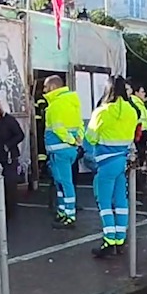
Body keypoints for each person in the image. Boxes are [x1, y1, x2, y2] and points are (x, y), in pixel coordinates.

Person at [87, 76, 139, 258]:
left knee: (104, 201)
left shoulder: (102, 112)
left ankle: (109, 240)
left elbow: (91, 137)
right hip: (122, 159)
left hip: (106, 161)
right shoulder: (132, 111)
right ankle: (120, 239)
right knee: (121, 201)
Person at [42, 75, 83, 228]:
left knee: (64, 182)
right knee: (61, 182)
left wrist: (70, 140)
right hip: (69, 150)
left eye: (45, 87)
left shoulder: (54, 106)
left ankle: (69, 215)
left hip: (59, 151)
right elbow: (80, 124)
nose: (44, 91)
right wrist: (77, 140)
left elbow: (58, 128)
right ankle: (62, 211)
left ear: (53, 87)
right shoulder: (73, 103)